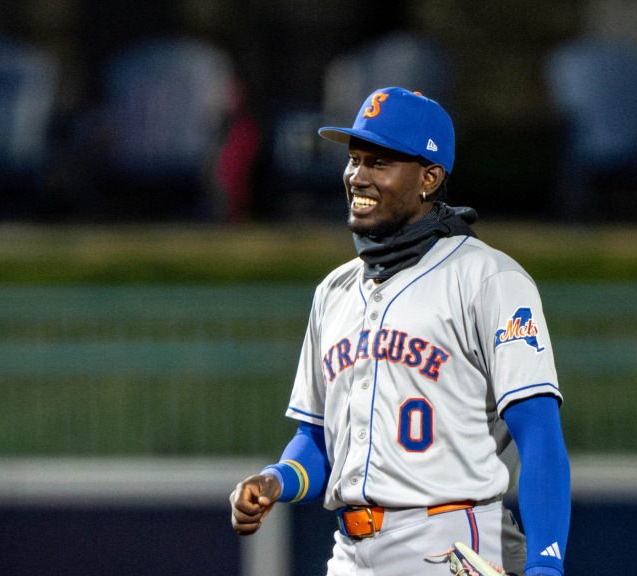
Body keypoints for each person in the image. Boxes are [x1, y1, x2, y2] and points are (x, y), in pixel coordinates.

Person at [230, 87, 571, 576]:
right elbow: (318, 441)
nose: (357, 176)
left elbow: (539, 435)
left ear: (429, 177)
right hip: (350, 553)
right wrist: (276, 480)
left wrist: (545, 566)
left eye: (380, 162)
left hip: (453, 544)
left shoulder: (488, 278)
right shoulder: (334, 291)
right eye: (355, 159)